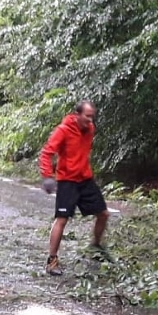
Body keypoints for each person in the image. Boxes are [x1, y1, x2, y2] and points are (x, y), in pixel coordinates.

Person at [39, 100, 109, 276]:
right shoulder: (63, 130)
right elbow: (47, 153)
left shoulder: (90, 129)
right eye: (87, 116)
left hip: (85, 179)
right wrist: (47, 176)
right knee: (62, 220)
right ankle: (52, 260)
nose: (90, 121)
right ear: (77, 114)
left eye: (92, 117)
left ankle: (95, 247)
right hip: (67, 181)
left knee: (103, 214)